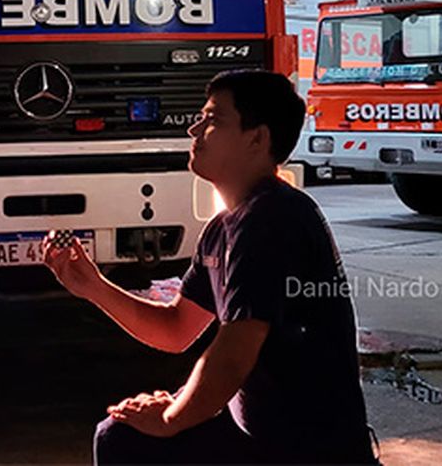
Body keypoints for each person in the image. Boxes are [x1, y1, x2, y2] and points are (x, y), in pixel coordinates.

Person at [45, 70, 379, 465]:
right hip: (256, 435)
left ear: (257, 139)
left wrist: (172, 416)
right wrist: (95, 287)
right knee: (120, 432)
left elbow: (234, 354)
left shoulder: (272, 219)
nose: (194, 129)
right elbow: (176, 329)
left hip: (303, 449)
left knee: (124, 441)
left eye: (213, 120)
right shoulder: (224, 227)